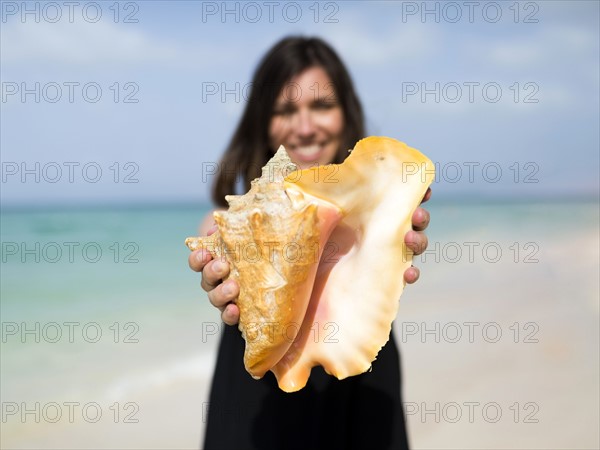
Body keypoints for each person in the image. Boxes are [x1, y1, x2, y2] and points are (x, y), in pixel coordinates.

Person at [188, 36, 431, 450]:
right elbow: (213, 233)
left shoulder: (363, 204)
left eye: (322, 105)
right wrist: (220, 270)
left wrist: (392, 239)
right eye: (284, 110)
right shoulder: (230, 219)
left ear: (345, 112)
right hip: (257, 403)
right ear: (262, 121)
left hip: (364, 384)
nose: (304, 127)